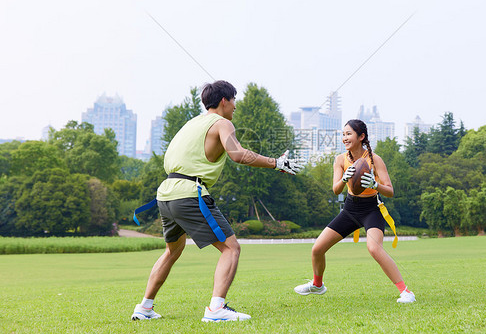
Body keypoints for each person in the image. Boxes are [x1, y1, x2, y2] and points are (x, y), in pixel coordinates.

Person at [131, 80, 303, 322]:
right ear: (224, 101)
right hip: (190, 193)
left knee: (172, 250)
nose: (235, 107)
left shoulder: (192, 123)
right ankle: (215, 310)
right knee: (231, 248)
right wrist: (276, 162)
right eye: (234, 101)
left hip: (166, 194)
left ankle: (144, 308)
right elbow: (238, 155)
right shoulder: (223, 123)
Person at [293, 119, 416, 303]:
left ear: (361, 136)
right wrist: (343, 179)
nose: (344, 138)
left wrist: (375, 184)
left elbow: (390, 191)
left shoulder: (374, 159)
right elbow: (335, 190)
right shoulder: (340, 160)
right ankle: (318, 285)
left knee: (374, 248)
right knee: (317, 249)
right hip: (350, 209)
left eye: (349, 134)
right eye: (343, 134)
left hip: (371, 209)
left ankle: (406, 292)